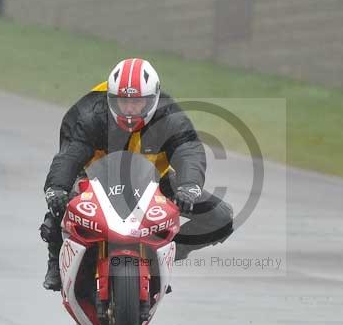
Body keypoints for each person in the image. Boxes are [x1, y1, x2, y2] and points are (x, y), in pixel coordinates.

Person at [40, 58, 234, 291]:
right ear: (110, 99)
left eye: (138, 102)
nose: (130, 109)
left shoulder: (169, 115)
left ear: (153, 99)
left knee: (221, 217)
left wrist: (189, 185)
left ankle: (159, 258)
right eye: (123, 102)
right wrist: (57, 188)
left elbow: (187, 148)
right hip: (94, 178)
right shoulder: (89, 114)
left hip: (152, 180)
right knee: (59, 206)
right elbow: (69, 154)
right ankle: (56, 264)